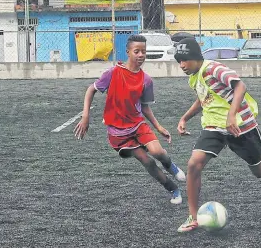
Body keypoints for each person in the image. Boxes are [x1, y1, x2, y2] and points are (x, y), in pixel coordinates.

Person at [74, 35, 186, 205]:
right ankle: (173, 189)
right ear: (128, 52)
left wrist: (159, 127)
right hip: (118, 132)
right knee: (147, 161)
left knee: (156, 151)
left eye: (144, 52)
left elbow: (145, 107)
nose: (141, 55)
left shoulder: (146, 80)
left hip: (138, 124)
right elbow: (91, 90)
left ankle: (171, 166)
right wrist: (85, 115)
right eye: (137, 51)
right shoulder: (113, 73)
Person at [174, 38, 261, 233]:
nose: (182, 65)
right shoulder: (194, 76)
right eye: (179, 61)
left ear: (196, 57)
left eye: (185, 60)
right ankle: (193, 217)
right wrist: (184, 118)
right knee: (194, 164)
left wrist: (231, 115)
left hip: (241, 126)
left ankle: (260, 157)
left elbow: (240, 86)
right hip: (213, 127)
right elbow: (204, 99)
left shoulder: (213, 68)